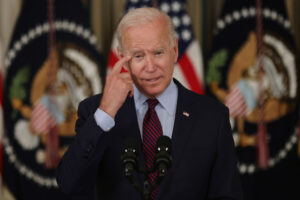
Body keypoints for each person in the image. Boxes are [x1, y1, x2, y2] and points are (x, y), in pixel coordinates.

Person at [56, 7, 242, 200]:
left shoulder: (213, 117)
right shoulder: (95, 112)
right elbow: (69, 184)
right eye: (138, 56)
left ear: (175, 50)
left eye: (158, 52)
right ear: (122, 58)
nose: (151, 67)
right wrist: (106, 112)